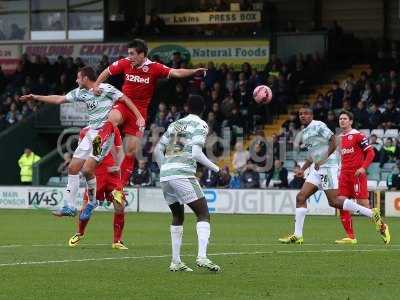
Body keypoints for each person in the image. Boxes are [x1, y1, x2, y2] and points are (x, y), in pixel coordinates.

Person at [20, 66, 143, 218]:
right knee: (72, 168)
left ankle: (92, 202)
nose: (76, 80)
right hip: (91, 132)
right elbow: (59, 99)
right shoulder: (81, 92)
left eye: (78, 77)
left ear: (85, 78)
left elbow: (125, 99)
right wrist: (36, 97)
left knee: (86, 170)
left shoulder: (105, 88)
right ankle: (69, 206)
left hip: (103, 134)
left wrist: (139, 116)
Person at [92, 39, 206, 187]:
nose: (129, 57)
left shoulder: (154, 68)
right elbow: (107, 71)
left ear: (142, 55)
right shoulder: (125, 63)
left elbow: (175, 72)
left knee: (131, 151)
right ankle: (97, 146)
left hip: (140, 112)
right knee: (112, 119)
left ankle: (119, 188)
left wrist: (193, 71)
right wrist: (96, 85)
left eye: (132, 54)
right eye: (129, 54)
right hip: (124, 104)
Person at [278, 105, 390, 245]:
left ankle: (372, 214)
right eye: (300, 114)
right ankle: (297, 235)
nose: (302, 116)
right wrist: (303, 168)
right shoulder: (305, 132)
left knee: (335, 202)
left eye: (306, 113)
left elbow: (333, 140)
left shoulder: (318, 125)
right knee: (301, 197)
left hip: (328, 167)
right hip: (317, 169)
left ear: (311, 115)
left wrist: (324, 159)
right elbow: (313, 154)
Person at [154, 95, 221, 272]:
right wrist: (217, 169)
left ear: (187, 107)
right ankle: (202, 256)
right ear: (203, 109)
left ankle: (175, 261)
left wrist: (166, 168)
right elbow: (197, 153)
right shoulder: (201, 124)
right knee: (203, 213)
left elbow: (156, 151)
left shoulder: (174, 125)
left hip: (165, 175)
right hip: (182, 173)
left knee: (178, 215)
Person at [69, 126, 128, 250]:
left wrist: (118, 165)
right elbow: (82, 155)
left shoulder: (113, 128)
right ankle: (80, 233)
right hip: (96, 174)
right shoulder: (85, 131)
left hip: (112, 175)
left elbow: (120, 150)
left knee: (120, 205)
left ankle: (117, 241)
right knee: (86, 207)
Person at [335, 110, 376, 244]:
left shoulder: (358, 135)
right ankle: (351, 237)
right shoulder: (340, 138)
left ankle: (381, 225)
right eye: (340, 119)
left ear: (351, 121)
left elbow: (370, 153)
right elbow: (342, 157)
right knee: (341, 203)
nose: (342, 121)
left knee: (363, 205)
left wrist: (363, 167)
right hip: (344, 175)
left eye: (345, 118)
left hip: (357, 175)